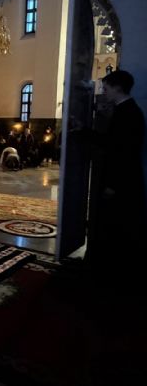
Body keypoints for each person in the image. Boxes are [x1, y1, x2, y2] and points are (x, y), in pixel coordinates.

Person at [88, 69, 146, 288]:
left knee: (118, 228)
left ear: (118, 88)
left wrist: (112, 185)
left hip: (122, 183)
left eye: (106, 88)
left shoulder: (128, 114)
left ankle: (115, 278)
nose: (104, 92)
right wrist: (83, 130)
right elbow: (112, 142)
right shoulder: (125, 110)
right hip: (123, 180)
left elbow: (123, 152)